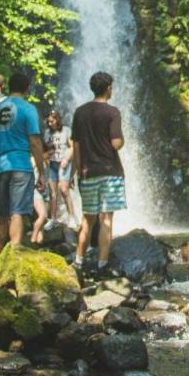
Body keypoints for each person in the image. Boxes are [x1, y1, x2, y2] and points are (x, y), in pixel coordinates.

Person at [71, 71, 126, 276]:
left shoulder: (80, 112)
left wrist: (78, 171)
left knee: (88, 219)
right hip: (110, 171)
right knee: (106, 219)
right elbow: (116, 143)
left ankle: (78, 261)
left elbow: (75, 144)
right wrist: (122, 140)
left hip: (88, 172)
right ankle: (102, 264)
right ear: (108, 88)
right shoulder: (112, 112)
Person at [0, 72, 48, 253]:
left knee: (1, 214)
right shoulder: (28, 109)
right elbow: (35, 142)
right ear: (27, 88)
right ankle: (14, 257)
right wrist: (42, 172)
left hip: (0, 165)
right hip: (21, 165)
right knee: (17, 213)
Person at [43, 109, 77, 229]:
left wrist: (67, 160)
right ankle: (53, 218)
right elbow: (46, 149)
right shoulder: (47, 133)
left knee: (64, 190)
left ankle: (72, 217)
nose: (49, 123)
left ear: (57, 120)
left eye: (52, 121)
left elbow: (73, 147)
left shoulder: (66, 130)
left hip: (64, 164)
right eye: (48, 122)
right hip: (52, 164)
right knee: (52, 193)